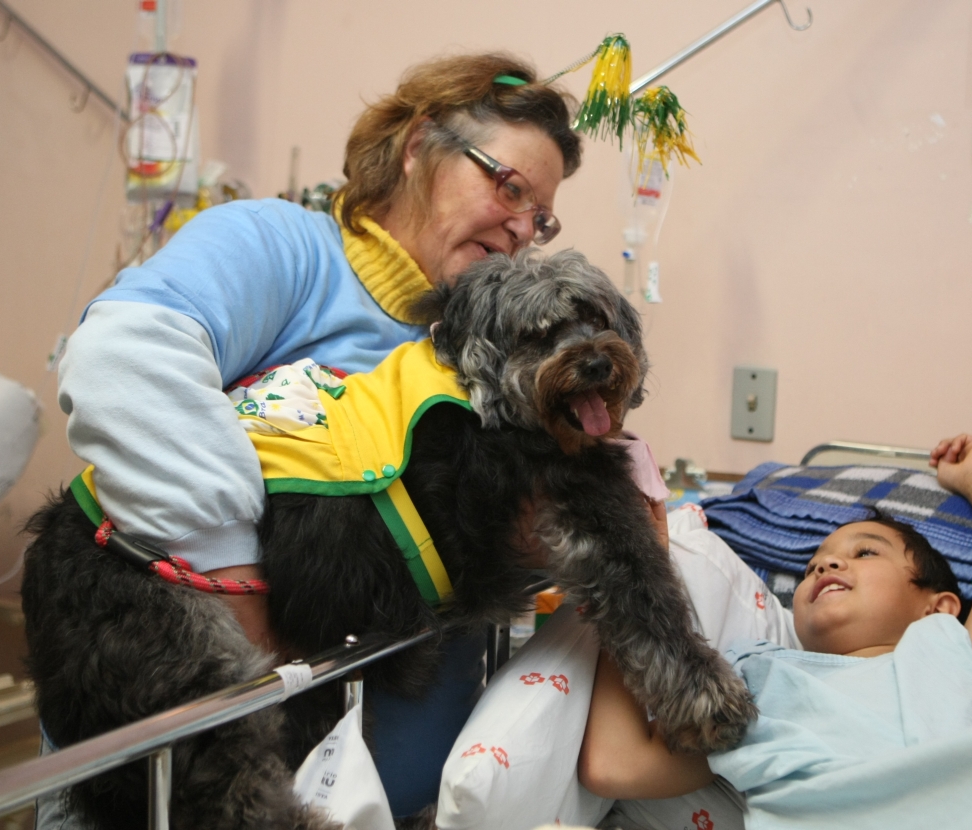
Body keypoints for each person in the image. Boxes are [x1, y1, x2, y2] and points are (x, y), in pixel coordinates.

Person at [52, 52, 580, 821]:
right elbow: (125, 360)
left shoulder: (473, 345)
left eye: (542, 215)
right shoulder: (284, 249)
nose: (522, 226)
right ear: (418, 146)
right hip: (197, 749)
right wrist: (238, 583)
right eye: (508, 186)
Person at [579, 435, 972, 829]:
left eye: (864, 552)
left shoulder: (962, 648)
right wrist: (635, 571)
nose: (826, 563)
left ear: (939, 604)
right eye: (816, 561)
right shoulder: (752, 677)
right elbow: (614, 765)